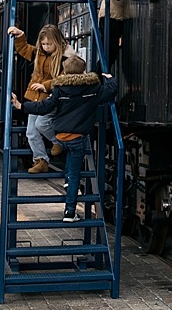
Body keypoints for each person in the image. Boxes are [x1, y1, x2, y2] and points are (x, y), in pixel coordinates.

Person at [10, 55, 116, 221]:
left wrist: (21, 106)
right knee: (75, 173)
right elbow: (109, 93)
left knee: (70, 163)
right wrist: (110, 80)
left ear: (65, 71)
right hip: (78, 137)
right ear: (84, 71)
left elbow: (44, 106)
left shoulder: (59, 89)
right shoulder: (93, 88)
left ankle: (67, 182)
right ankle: (70, 212)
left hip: (60, 138)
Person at [7, 23, 65, 174]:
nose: (46, 47)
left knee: (41, 124)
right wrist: (20, 35)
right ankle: (41, 160)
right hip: (35, 99)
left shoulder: (63, 57)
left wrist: (45, 85)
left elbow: (63, 79)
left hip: (49, 98)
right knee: (31, 132)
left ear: (57, 42)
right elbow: (23, 48)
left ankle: (57, 142)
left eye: (49, 44)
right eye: (43, 43)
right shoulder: (37, 52)